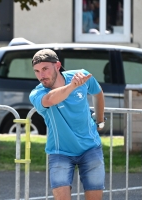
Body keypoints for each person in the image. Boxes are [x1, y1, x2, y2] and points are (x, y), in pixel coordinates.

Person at [29, 49, 105, 200]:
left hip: (90, 148)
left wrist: (100, 120)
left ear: (57, 65)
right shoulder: (37, 93)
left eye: (45, 69)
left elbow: (97, 93)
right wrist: (72, 86)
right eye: (37, 71)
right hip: (60, 152)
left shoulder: (81, 76)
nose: (41, 76)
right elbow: (50, 99)